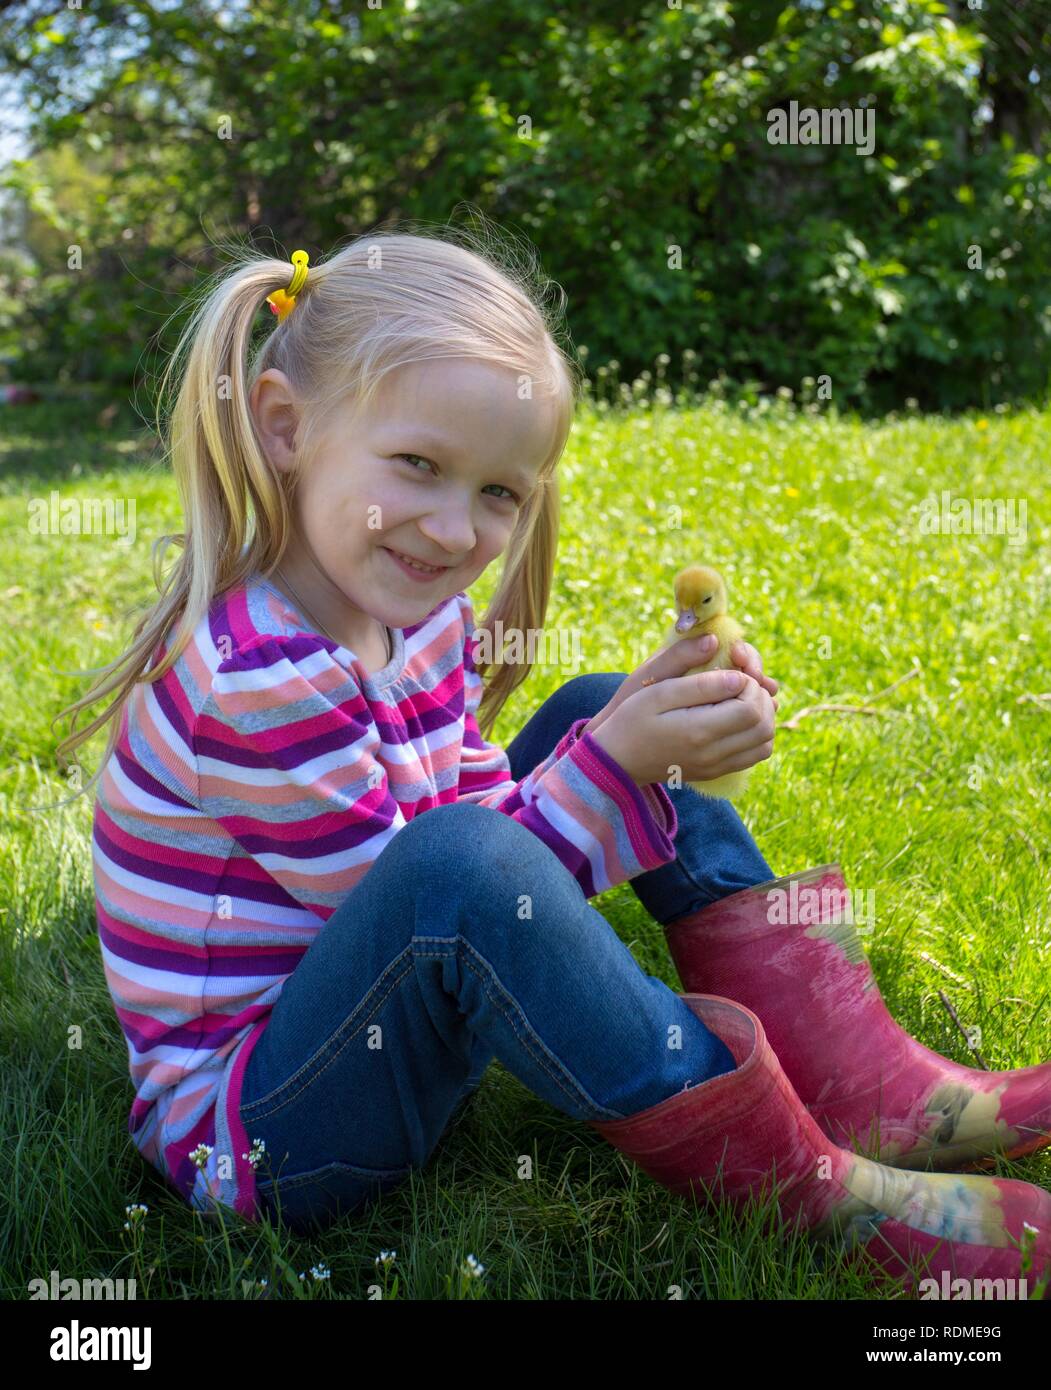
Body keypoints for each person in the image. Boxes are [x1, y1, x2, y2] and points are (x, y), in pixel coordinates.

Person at [56, 223, 1050, 1295]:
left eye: (499, 492)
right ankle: (799, 1185)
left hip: (377, 1010)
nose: (453, 529)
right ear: (287, 428)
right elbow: (446, 904)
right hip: (266, 1133)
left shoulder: (409, 614)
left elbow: (473, 811)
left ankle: (864, 1078)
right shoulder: (256, 683)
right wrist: (620, 762)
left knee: (586, 708)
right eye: (418, 467)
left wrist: (656, 718)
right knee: (478, 852)